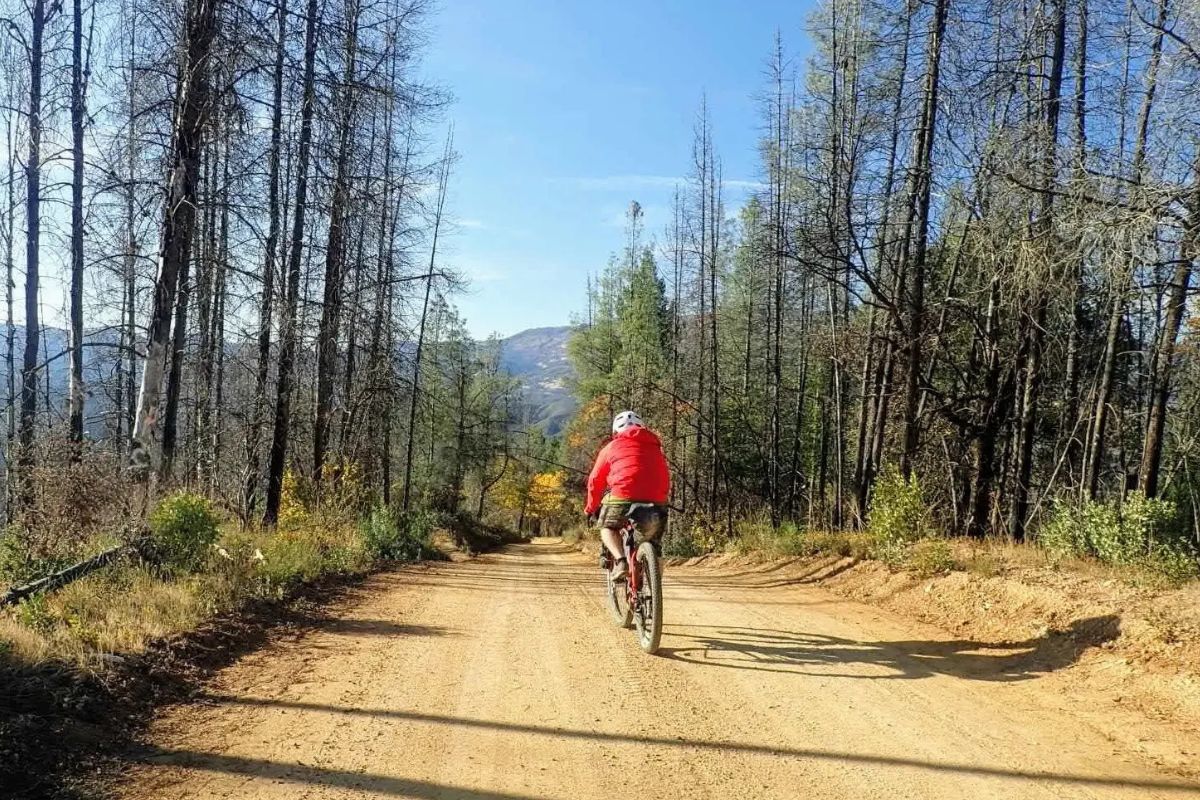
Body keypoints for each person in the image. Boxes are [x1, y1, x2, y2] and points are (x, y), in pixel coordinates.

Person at [584, 410, 670, 580]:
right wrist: (662, 497)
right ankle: (654, 582)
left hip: (622, 495)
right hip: (657, 500)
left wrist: (590, 508)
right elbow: (665, 475)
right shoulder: (656, 448)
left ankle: (621, 561)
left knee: (608, 527)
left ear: (616, 431)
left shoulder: (610, 448)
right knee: (654, 543)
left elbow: (595, 480)